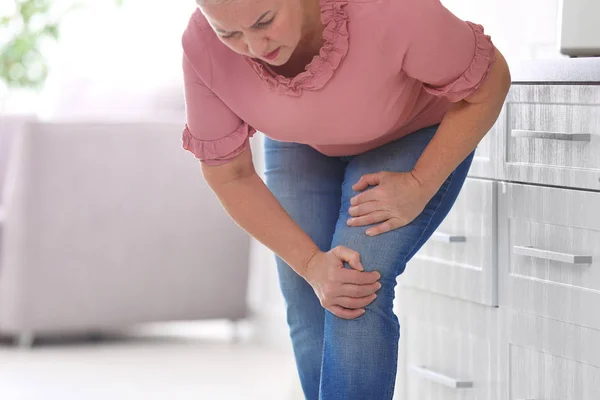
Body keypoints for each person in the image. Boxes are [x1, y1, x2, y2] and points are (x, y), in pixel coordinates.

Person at [180, 0, 510, 397]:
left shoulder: (389, 9)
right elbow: (229, 173)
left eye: (264, 21)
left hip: (412, 129)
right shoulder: (201, 44)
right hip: (303, 140)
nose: (253, 45)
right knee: (312, 288)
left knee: (354, 286)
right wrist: (309, 263)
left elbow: (491, 80)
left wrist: (421, 182)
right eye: (228, 33)